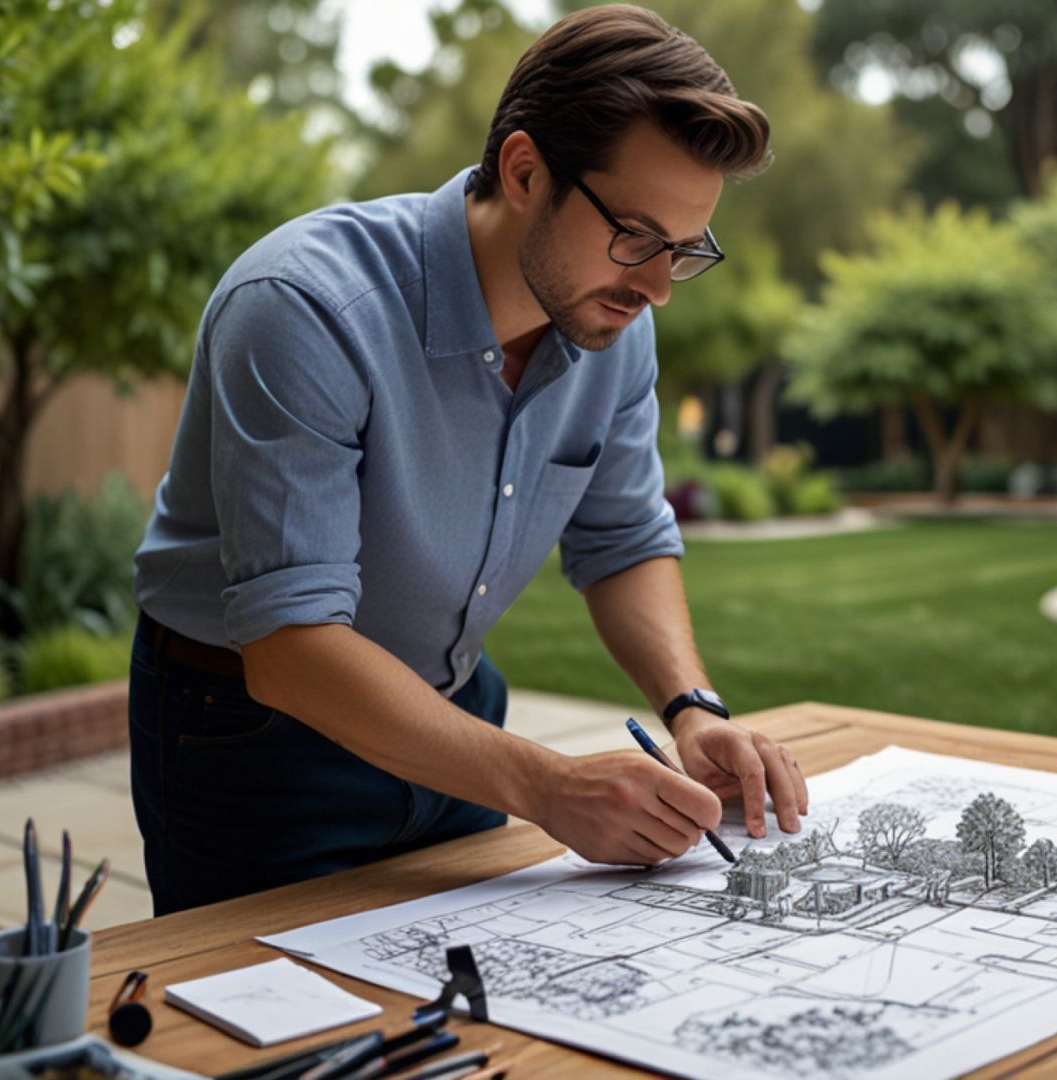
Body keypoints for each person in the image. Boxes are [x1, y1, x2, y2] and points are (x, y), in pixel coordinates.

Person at [128, 4, 810, 915]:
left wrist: (693, 707)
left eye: (683, 251)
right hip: (254, 741)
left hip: (458, 717)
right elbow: (289, 650)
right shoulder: (304, 307)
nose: (655, 288)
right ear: (526, 171)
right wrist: (548, 787)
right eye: (637, 237)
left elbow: (622, 540)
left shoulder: (611, 324)